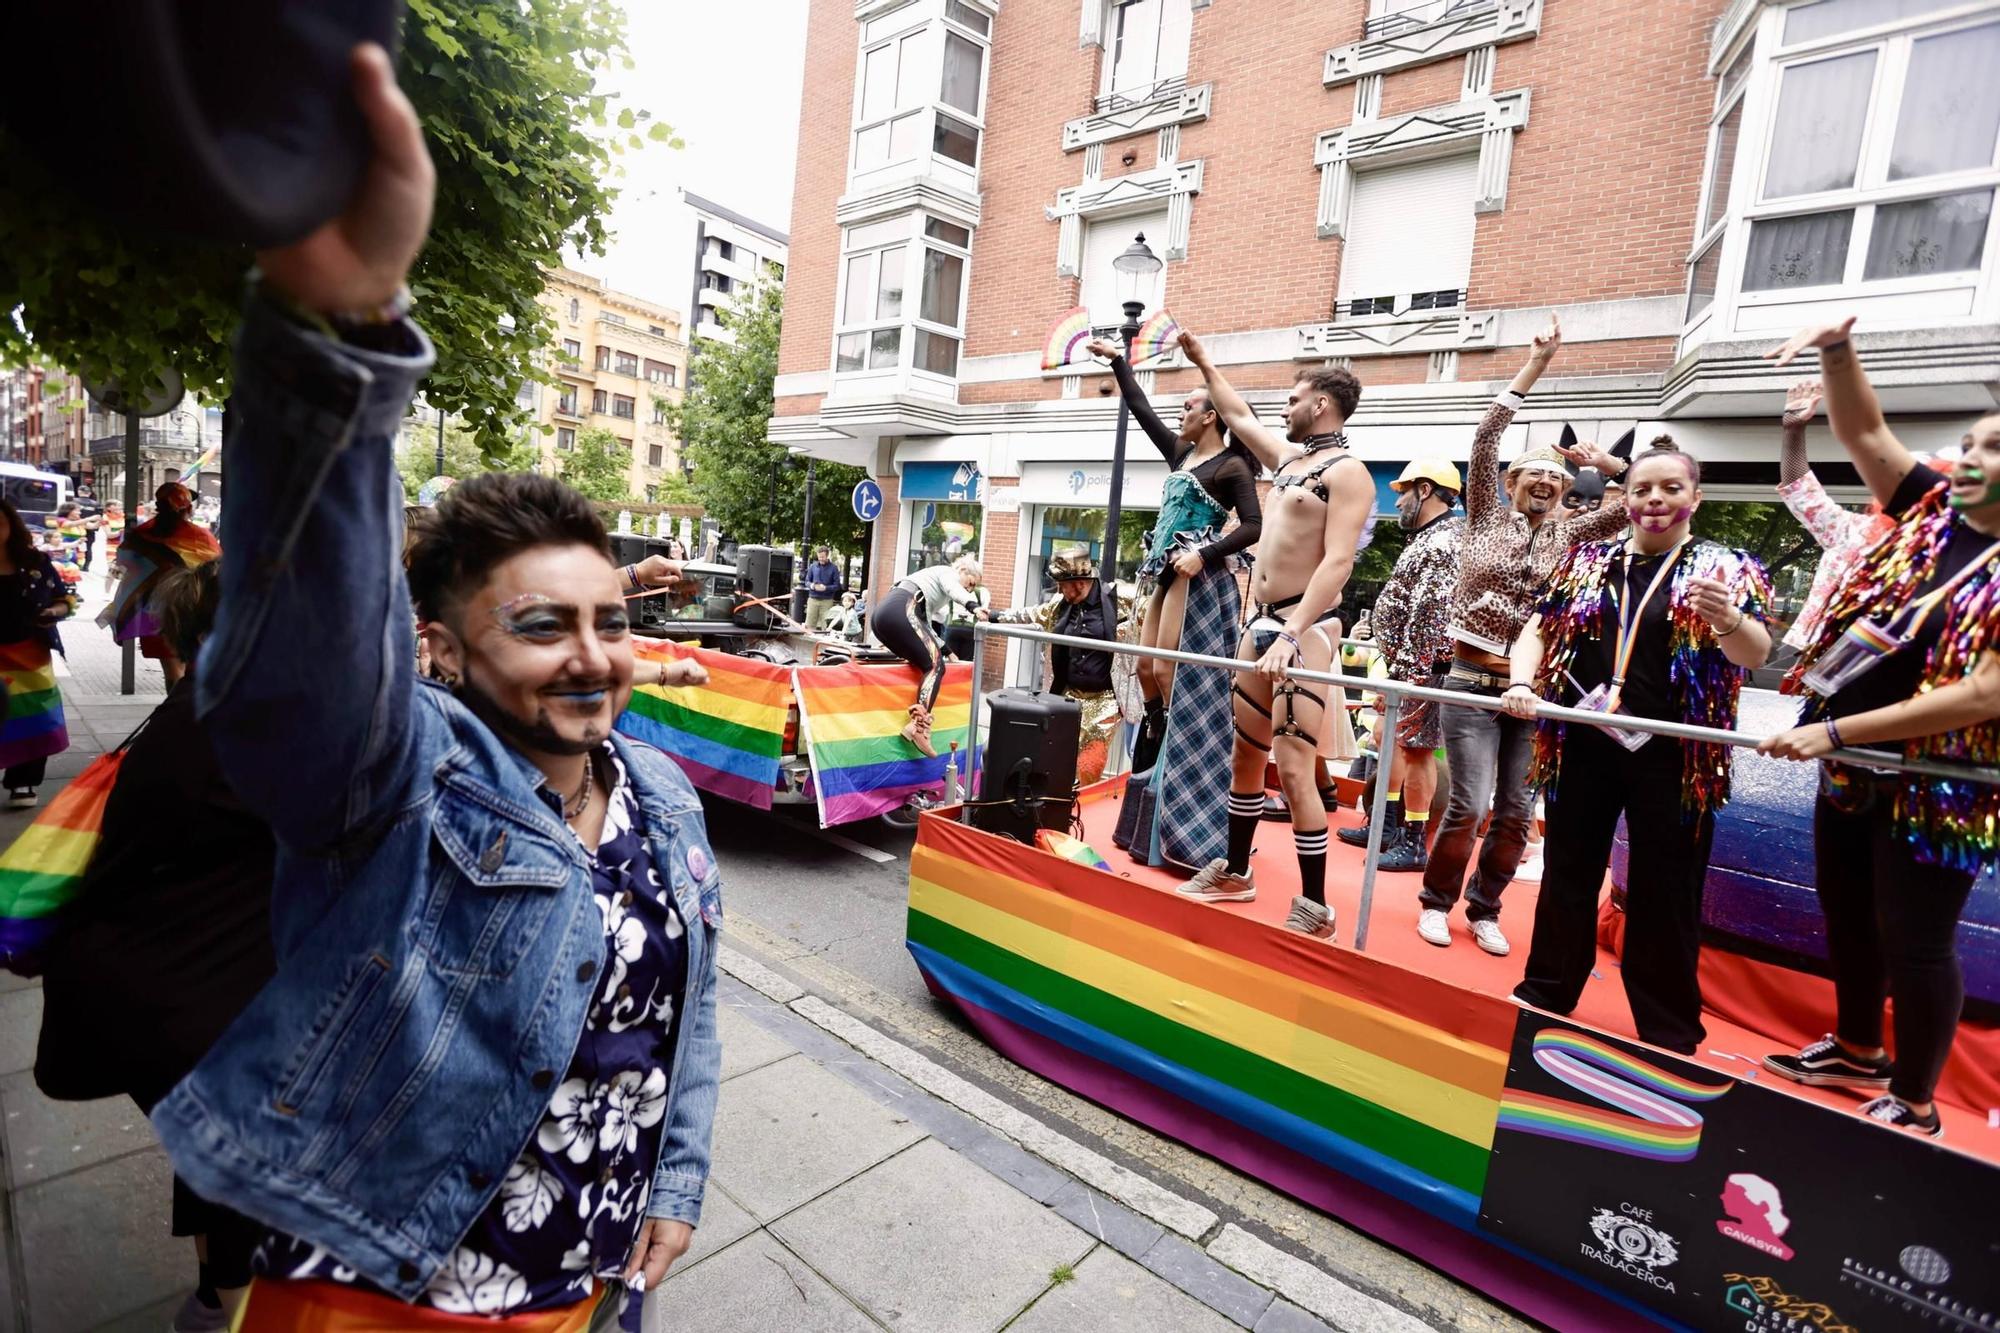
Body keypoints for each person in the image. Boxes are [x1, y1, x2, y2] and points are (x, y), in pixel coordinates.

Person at [147, 46, 720, 1329]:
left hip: (592, 1290)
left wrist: (674, 1177)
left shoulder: (667, 803)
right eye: (540, 624)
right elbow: (302, 664)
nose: (592, 655)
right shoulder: (395, 784)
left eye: (610, 621)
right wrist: (336, 333)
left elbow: (691, 1017)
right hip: (389, 1296)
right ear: (446, 647)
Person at [1754, 318, 2000, 1139]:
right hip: (1853, 761)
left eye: (1991, 448)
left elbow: (1981, 695)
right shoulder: (1932, 507)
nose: (1968, 458)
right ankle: (1859, 1048)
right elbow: (1864, 430)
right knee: (1849, 913)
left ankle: (1918, 1099)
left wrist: (1834, 730)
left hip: (1941, 785)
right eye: (1967, 443)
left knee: (1920, 942)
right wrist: (1834, 348)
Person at [36, 562, 272, 1333]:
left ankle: (215, 1294)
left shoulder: (207, 705)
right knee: (240, 1152)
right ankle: (226, 1304)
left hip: (153, 976)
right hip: (174, 988)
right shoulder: (247, 726)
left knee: (211, 1139)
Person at [1503, 440, 1772, 1055]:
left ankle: (1668, 1028)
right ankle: (1546, 990)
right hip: (1584, 742)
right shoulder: (1588, 561)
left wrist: (1729, 619)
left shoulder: (1724, 567)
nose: (1654, 500)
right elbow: (1536, 631)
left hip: (1676, 754)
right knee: (1568, 871)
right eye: (1642, 489)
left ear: (1695, 498)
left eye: (1671, 489)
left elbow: (1752, 655)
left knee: (1667, 889)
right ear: (1625, 497)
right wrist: (1522, 681)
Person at [1419, 317, 1632, 955]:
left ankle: (1485, 907)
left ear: (1567, 493)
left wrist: (1610, 463)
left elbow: (1632, 500)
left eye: (1557, 480)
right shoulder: (1485, 516)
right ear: (1511, 485)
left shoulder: (1573, 534)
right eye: (1532, 476)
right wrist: (1534, 366)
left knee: (1515, 813)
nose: (1544, 483)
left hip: (1534, 695)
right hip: (1472, 685)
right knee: (1470, 803)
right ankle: (1436, 901)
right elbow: (1487, 437)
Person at [1172, 330, 1374, 942]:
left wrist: (1293, 630)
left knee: (1291, 768)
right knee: (1246, 758)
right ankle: (1237, 871)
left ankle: (1316, 906)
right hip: (1258, 624)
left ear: (1320, 405)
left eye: (1292, 399)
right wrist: (1203, 359)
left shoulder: (1349, 473)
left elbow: (1338, 562)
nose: (1282, 410)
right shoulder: (1290, 464)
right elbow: (1234, 412)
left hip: (1302, 631)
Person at [1085, 338, 1263, 768]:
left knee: (1166, 671)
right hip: (1165, 571)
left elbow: (1255, 525)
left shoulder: (1231, 467)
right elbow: (1140, 407)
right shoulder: (1181, 455)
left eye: (1188, 407)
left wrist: (1204, 554)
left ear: (1211, 416)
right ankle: (1151, 743)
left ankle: (1173, 756)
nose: (1180, 414)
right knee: (1144, 669)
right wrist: (1118, 362)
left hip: (1193, 577)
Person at [1336, 457, 1463, 873]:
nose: (1402, 501)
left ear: (1424, 491)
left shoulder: (1442, 541)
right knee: (1396, 744)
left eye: (1405, 492)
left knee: (1417, 751)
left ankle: (1411, 841)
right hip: (1413, 668)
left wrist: (1405, 677)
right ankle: (1386, 826)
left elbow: (1430, 615)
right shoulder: (1429, 538)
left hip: (1423, 669)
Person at [1771, 377, 1901, 654]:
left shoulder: (1951, 549)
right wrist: (1793, 431)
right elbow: (1802, 493)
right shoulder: (1857, 533)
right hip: (1830, 659)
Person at [992, 548, 1133, 783]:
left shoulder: (1120, 601)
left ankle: (1082, 807)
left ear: (1078, 583)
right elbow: (1030, 614)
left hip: (1106, 698)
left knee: (1090, 763)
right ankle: (1057, 807)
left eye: (1062, 584)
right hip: (1067, 695)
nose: (1059, 589)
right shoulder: (1060, 605)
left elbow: (1151, 615)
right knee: (1056, 756)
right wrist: (995, 616)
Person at [102, 480, 221, 688]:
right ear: (189, 508)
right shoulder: (201, 536)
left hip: (153, 610)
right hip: (191, 607)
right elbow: (215, 568)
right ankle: (186, 711)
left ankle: (174, 709)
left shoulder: (142, 535)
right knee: (193, 666)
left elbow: (124, 562)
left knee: (171, 669)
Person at [0, 495, 77, 809]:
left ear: (11, 526)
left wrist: (54, 612)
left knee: (34, 717)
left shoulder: (35, 563)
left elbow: (65, 599)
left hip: (29, 652)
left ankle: (24, 781)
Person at [873, 555, 985, 756]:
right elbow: (954, 589)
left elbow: (925, 629)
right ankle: (919, 726)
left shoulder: (928, 585)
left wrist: (949, 653)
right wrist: (973, 606)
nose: (969, 589)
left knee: (925, 661)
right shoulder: (948, 573)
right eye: (970, 584)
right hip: (902, 609)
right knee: (935, 666)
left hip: (885, 614)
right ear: (963, 571)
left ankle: (910, 724)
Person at [803, 544, 845, 632]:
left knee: (825, 625)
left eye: (822, 557)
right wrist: (812, 586)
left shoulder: (833, 568)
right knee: (809, 624)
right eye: (819, 557)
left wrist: (825, 588)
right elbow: (807, 581)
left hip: (827, 600)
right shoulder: (813, 566)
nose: (821, 559)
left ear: (827, 555)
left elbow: (837, 585)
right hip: (813, 599)